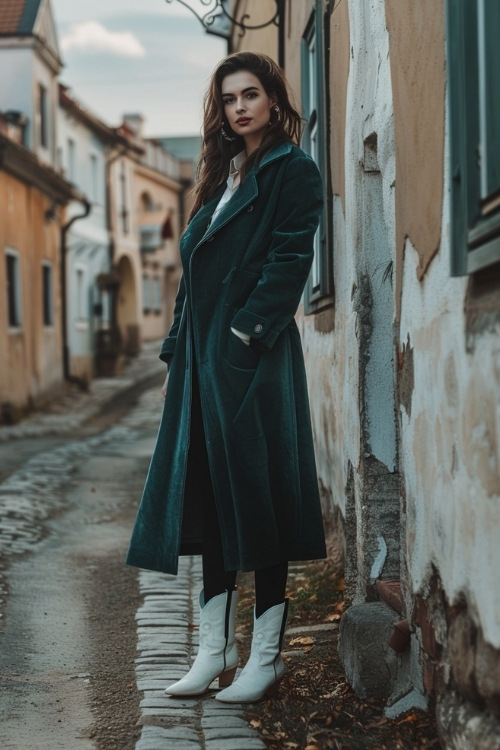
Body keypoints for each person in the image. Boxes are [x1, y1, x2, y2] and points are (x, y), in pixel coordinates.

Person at [126, 51, 326, 704]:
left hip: (254, 364)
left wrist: (243, 338)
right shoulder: (221, 176)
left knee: (260, 500)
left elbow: (291, 258)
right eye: (229, 98)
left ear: (274, 99)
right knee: (211, 501)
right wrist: (178, 354)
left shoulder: (292, 171)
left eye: (251, 94)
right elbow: (194, 277)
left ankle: (264, 658)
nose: (240, 107)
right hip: (199, 367)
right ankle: (215, 650)